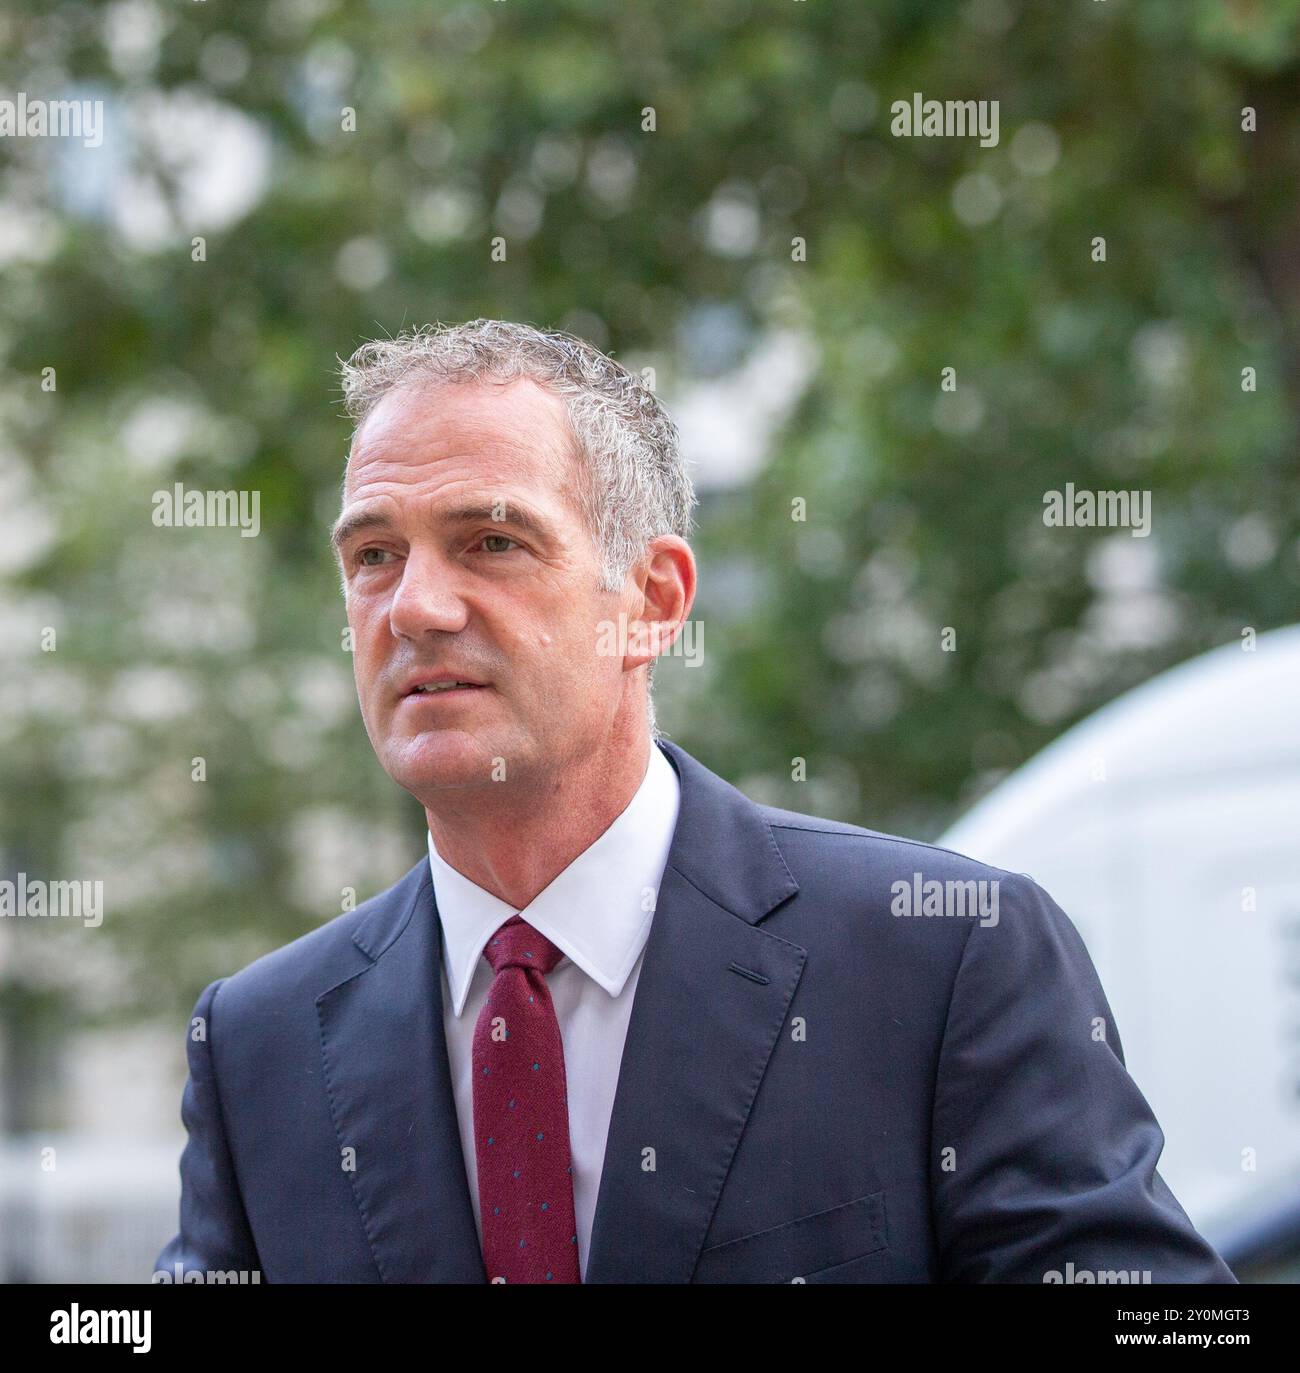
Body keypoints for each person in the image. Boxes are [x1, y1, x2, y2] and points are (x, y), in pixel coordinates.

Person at [156, 318, 1235, 1283]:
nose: (417, 606)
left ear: (653, 601)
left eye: (492, 541)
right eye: (374, 555)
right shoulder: (261, 1043)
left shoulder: (945, 958)